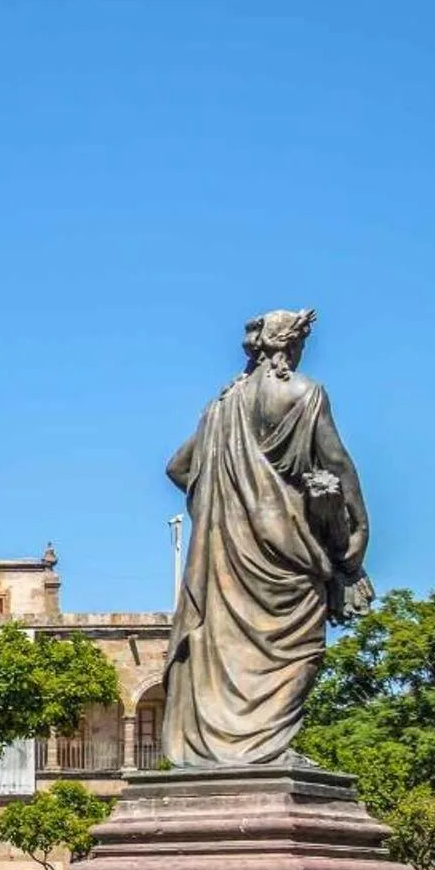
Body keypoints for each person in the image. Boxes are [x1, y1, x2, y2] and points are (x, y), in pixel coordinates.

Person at [160, 310, 373, 766]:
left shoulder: (220, 407)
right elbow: (337, 464)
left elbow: (178, 468)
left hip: (229, 556)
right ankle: (265, 750)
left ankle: (233, 752)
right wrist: (358, 534)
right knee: (302, 649)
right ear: (286, 346)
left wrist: (224, 501)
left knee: (227, 653)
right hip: (291, 554)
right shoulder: (303, 393)